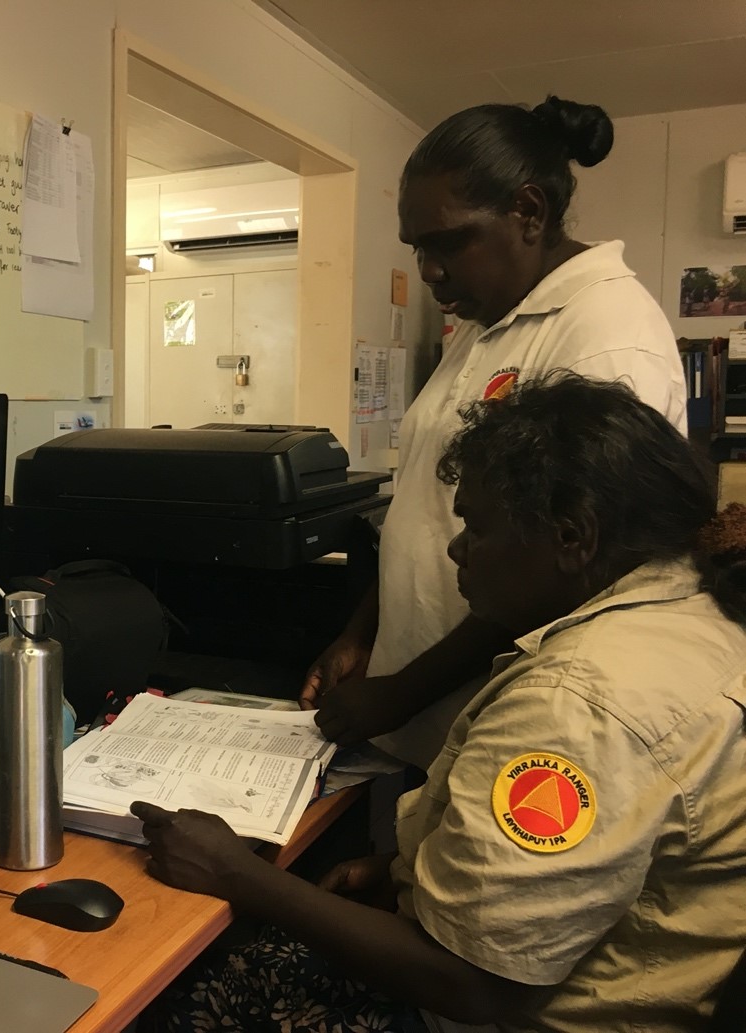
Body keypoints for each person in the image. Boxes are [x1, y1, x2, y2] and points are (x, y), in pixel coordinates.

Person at [133, 373, 746, 1032]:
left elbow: (476, 985)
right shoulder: (693, 613)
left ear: (574, 537)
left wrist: (234, 871)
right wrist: (418, 880)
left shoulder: (578, 703)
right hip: (604, 975)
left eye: (475, 529)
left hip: (493, 1014)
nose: (457, 550)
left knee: (166, 997)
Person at [299, 96, 687, 768]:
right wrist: (363, 633)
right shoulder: (488, 322)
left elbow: (566, 571)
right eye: (418, 247)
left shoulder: (604, 339)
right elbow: (423, 507)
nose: (427, 271)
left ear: (528, 213)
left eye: (448, 241)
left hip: (506, 726)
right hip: (414, 705)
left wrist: (404, 690)